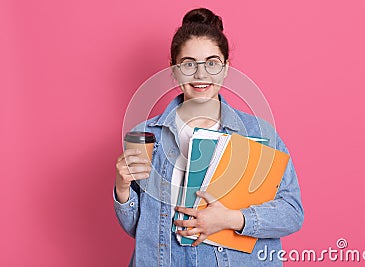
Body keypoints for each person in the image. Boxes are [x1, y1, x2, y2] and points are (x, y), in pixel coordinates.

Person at [114, 8, 304, 267]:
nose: (201, 75)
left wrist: (230, 219)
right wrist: (123, 189)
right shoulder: (147, 136)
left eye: (212, 63)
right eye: (189, 64)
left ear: (226, 68)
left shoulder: (259, 134)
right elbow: (139, 229)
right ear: (174, 70)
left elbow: (291, 213)